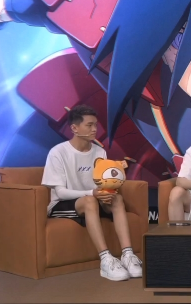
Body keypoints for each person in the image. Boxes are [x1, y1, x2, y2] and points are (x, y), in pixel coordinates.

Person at [41, 105, 142, 282]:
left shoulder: (100, 152)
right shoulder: (58, 152)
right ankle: (106, 259)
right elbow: (60, 192)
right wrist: (92, 193)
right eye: (89, 125)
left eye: (95, 125)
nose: (94, 129)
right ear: (74, 128)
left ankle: (128, 255)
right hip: (63, 204)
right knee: (89, 201)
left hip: (95, 199)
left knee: (117, 198)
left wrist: (107, 191)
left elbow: (103, 182)